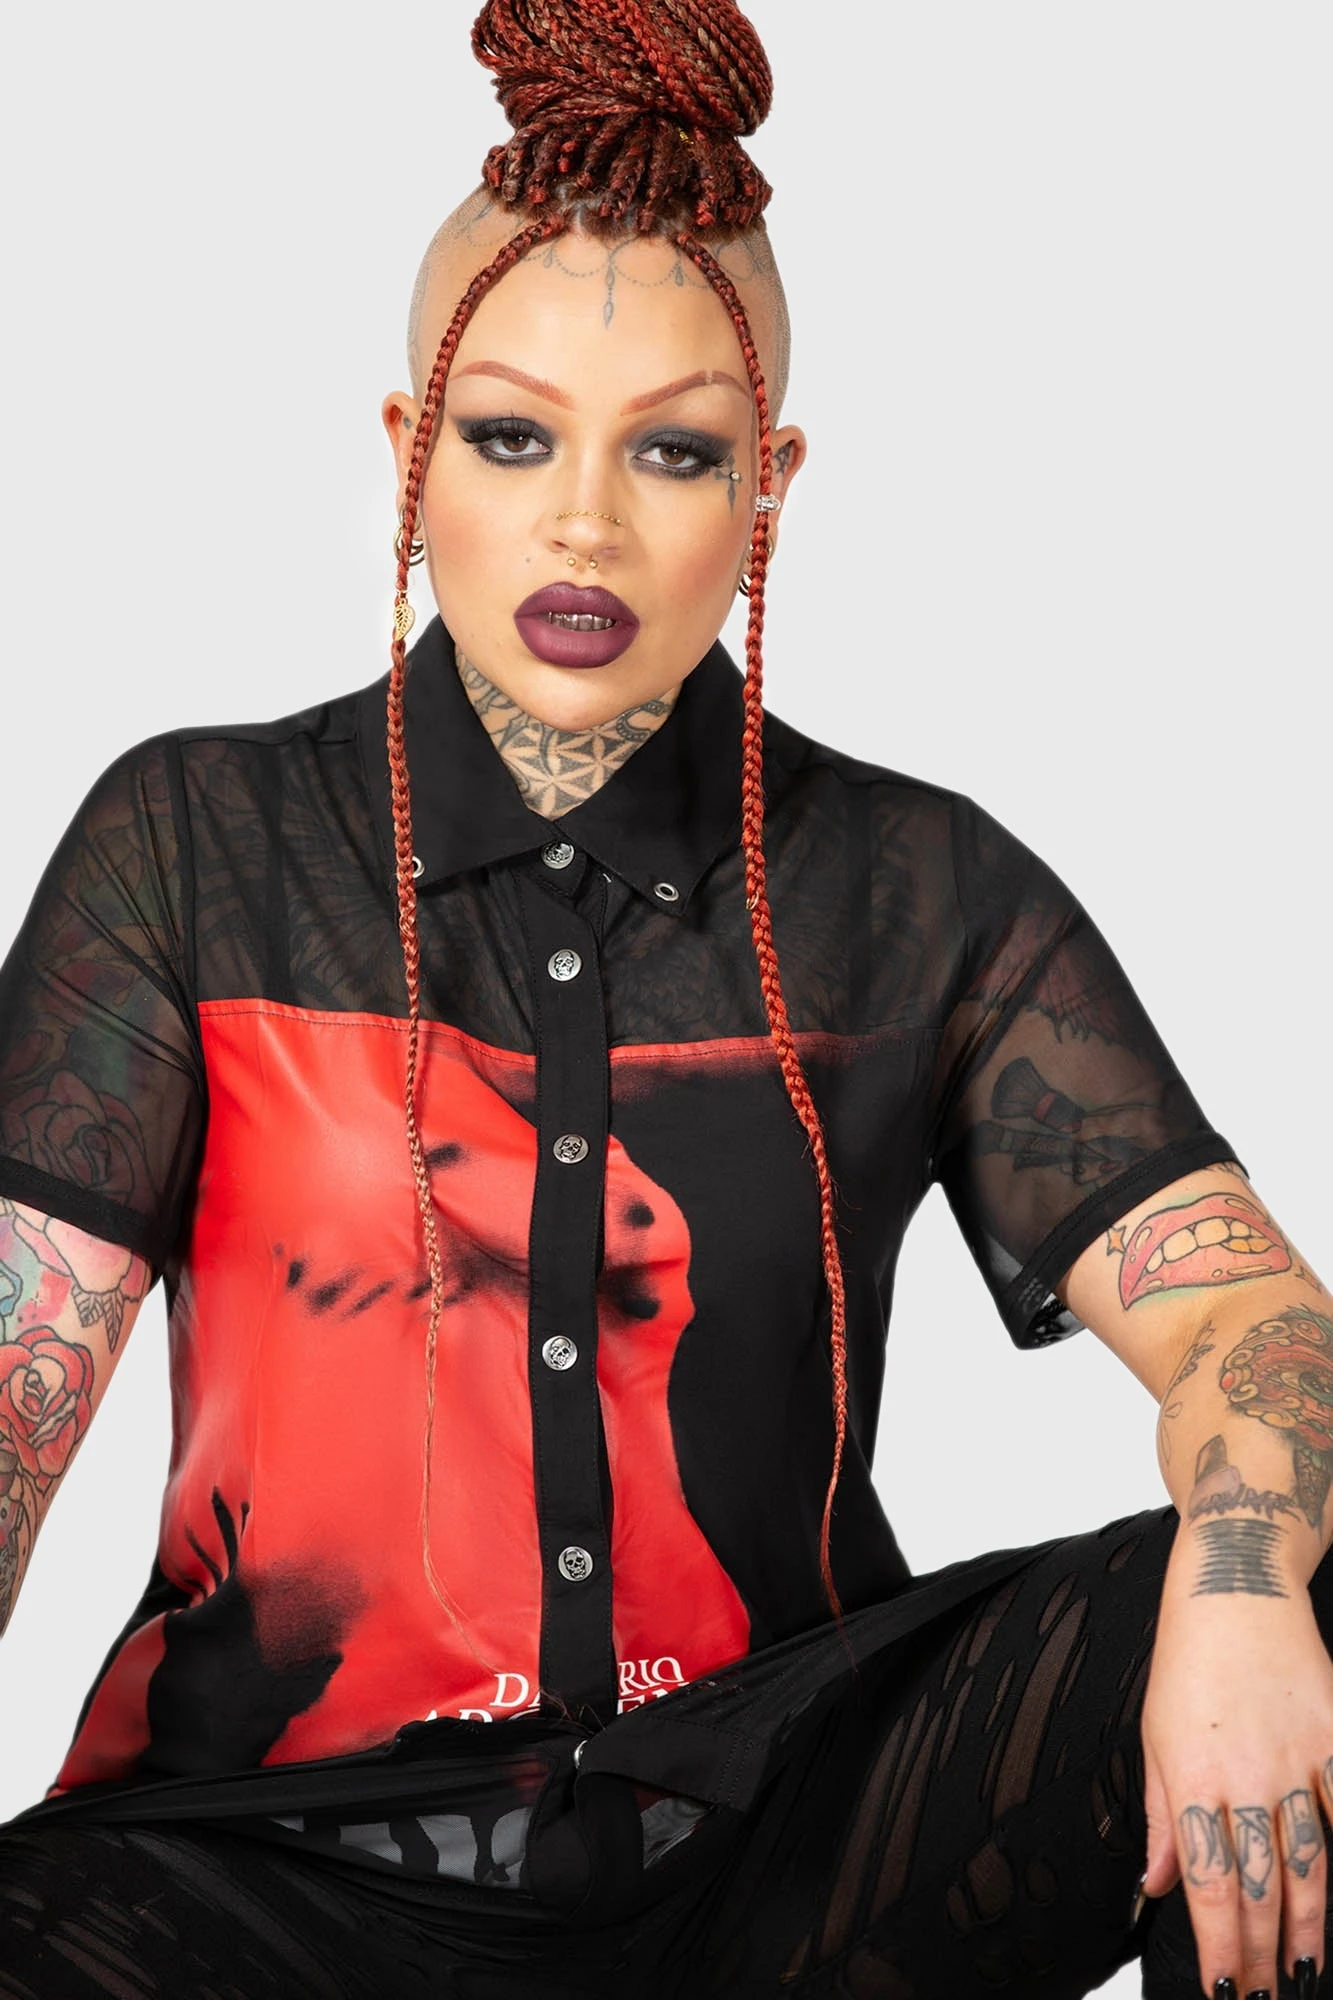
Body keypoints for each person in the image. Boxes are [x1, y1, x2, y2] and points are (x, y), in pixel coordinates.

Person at [0, 3, 1328, 1996]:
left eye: (677, 451)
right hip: (262, 1878)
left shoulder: (921, 890)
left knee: (1308, 1600)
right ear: (409, 450)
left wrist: (1239, 1588)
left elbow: (1246, 1320)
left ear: (768, 483)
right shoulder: (193, 842)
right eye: (513, 435)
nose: (586, 524)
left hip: (782, 1853)